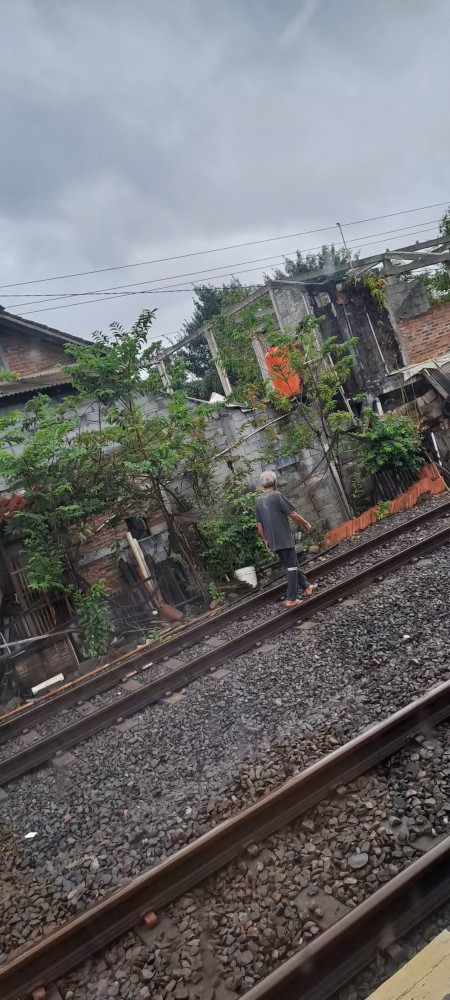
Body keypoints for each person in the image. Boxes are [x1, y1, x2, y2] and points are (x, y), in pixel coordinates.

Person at [255, 470, 316, 607]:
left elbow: (259, 525)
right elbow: (292, 514)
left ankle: (307, 587)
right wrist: (305, 523)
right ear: (275, 483)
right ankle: (291, 599)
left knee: (291, 564)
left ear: (262, 486)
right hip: (284, 538)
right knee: (292, 567)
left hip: (273, 541)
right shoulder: (276, 495)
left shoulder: (258, 500)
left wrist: (265, 540)